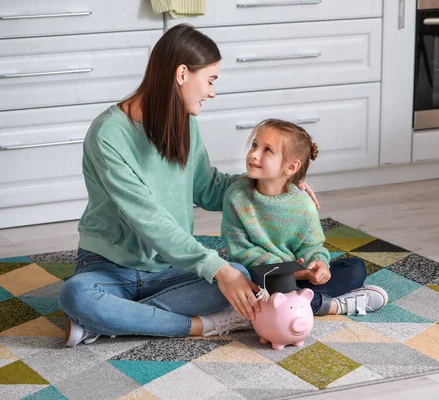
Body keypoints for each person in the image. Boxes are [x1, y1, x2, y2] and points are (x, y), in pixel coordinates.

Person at [58, 24, 319, 347]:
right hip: (109, 268)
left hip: (170, 269)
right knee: (77, 294)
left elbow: (207, 187)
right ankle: (198, 325)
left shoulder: (184, 122)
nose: (212, 92)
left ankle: (116, 320)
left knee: (240, 271)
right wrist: (218, 271)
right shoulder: (108, 134)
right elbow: (147, 219)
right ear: (182, 74)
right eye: (210, 80)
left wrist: (276, 183)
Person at [221, 119, 388, 317]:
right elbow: (240, 251)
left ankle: (285, 306)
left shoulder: (303, 204)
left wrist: (319, 264)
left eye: (267, 150)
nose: (254, 154)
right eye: (255, 145)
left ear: (291, 167)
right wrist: (289, 272)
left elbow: (312, 245)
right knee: (244, 274)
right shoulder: (237, 196)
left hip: (297, 276)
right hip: (261, 276)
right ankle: (329, 305)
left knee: (355, 268)